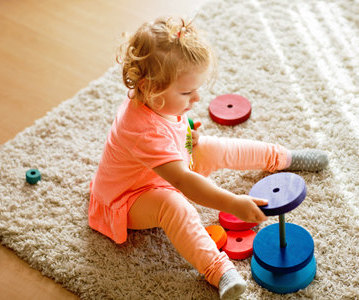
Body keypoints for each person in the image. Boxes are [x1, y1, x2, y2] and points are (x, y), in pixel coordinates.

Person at [88, 16, 328, 300]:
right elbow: (184, 181)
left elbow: (173, 128)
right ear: (150, 88)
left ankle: (284, 158)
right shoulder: (144, 131)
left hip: (161, 169)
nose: (197, 98)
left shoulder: (157, 99)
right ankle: (218, 270)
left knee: (216, 147)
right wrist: (232, 203)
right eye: (188, 92)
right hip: (126, 200)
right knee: (173, 204)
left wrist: (187, 133)